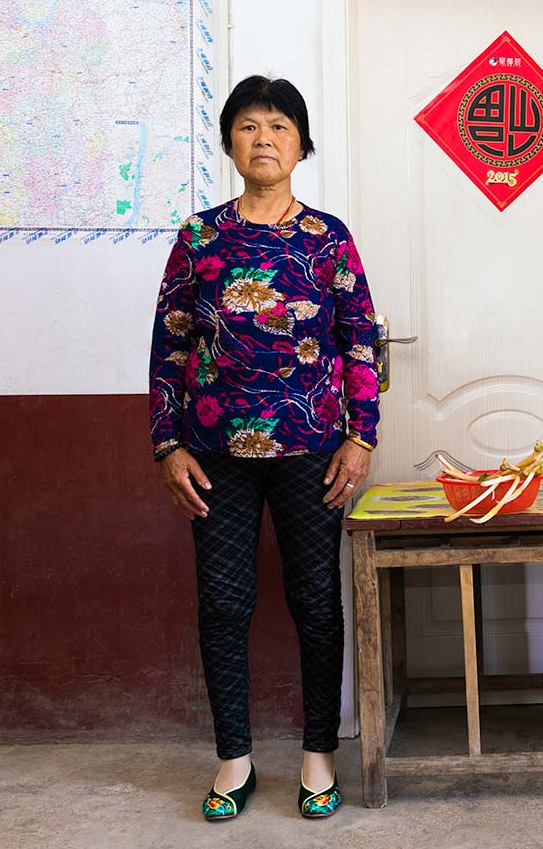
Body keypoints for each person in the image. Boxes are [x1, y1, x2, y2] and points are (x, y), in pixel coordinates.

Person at [149, 75, 379, 821]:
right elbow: (170, 347)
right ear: (229, 142)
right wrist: (167, 446)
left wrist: (361, 436)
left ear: (301, 144)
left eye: (279, 127)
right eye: (249, 126)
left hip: (313, 448)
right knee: (222, 603)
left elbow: (359, 346)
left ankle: (318, 753)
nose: (264, 140)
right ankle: (234, 756)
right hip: (213, 453)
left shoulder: (328, 237)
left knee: (316, 601)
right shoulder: (199, 236)